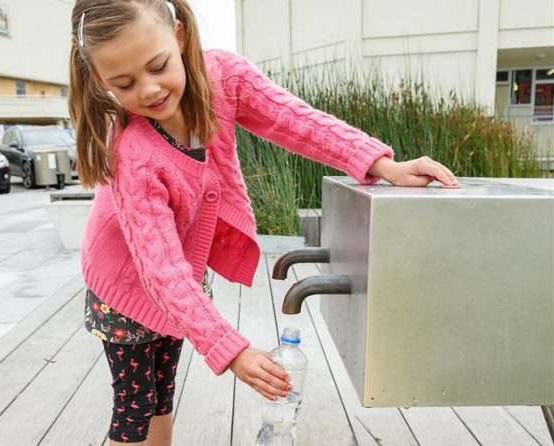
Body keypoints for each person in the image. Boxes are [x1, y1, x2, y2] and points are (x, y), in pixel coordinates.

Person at [68, 1, 459, 444]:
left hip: (180, 281)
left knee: (161, 399)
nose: (150, 89)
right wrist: (231, 350)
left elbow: (296, 122)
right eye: (124, 83)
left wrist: (382, 163)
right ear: (101, 82)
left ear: (179, 36)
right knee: (135, 410)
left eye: (158, 66)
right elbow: (159, 270)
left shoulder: (223, 78)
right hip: (123, 286)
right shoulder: (133, 152)